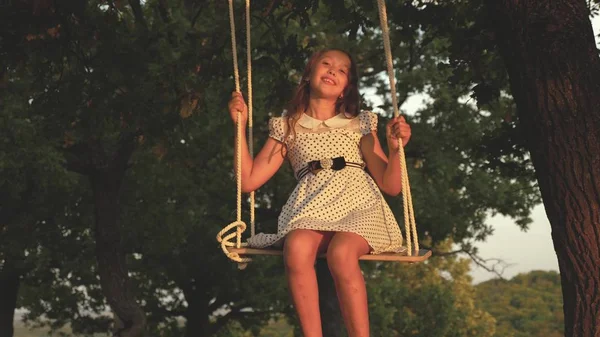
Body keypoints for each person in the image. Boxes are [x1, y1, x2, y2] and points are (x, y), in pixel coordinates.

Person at [227, 49, 411, 337]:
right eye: (326, 63)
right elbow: (249, 181)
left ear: (346, 88)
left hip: (359, 205)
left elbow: (391, 186)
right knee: (297, 246)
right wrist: (239, 127)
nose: (332, 70)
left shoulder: (359, 124)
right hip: (312, 208)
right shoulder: (287, 127)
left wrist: (396, 148)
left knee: (341, 253)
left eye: (342, 69)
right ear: (309, 74)